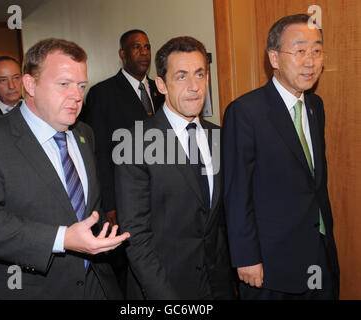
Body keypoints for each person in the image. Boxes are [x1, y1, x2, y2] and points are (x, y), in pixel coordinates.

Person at [0, 38, 130, 300]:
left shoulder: (84, 133)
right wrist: (62, 239)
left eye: (81, 85)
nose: (77, 96)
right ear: (30, 84)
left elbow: (88, 206)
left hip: (97, 286)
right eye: (64, 84)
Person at [222, 14, 340, 299]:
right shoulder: (245, 112)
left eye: (316, 50)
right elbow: (237, 193)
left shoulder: (315, 105)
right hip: (271, 265)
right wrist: (246, 257)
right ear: (274, 58)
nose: (310, 61)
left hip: (318, 252)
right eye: (300, 51)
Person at [115, 36, 236, 299]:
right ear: (161, 84)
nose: (194, 86)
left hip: (218, 287)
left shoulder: (220, 137)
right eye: (181, 76)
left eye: (200, 74)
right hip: (164, 289)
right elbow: (136, 236)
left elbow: (223, 220)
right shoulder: (135, 143)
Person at [83, 29, 164, 227]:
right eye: (137, 47)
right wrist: (109, 203)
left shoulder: (162, 91)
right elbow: (99, 152)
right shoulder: (102, 94)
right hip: (125, 194)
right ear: (122, 54)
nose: (144, 52)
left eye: (147, 47)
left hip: (162, 192)